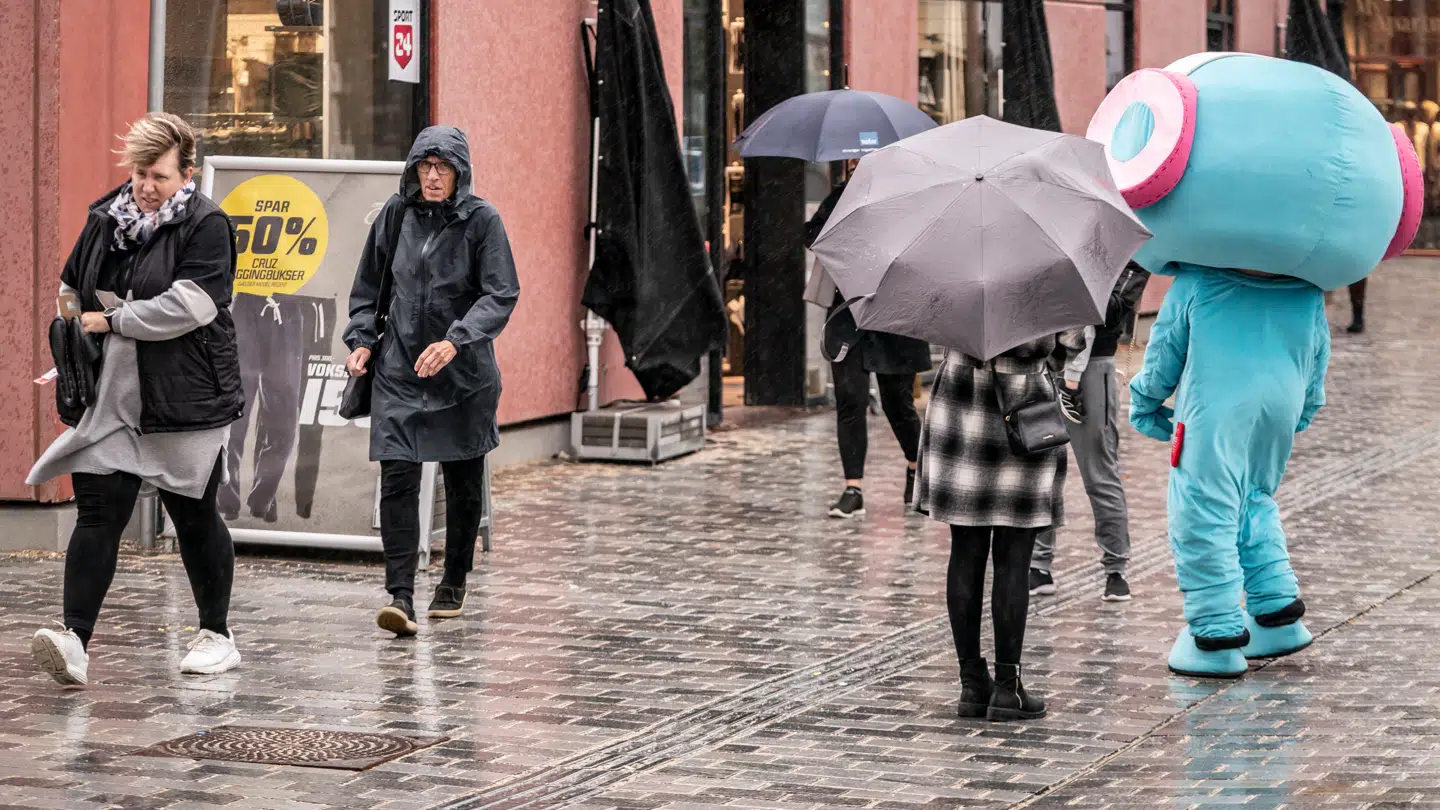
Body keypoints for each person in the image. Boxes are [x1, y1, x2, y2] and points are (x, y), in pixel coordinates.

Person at [1093, 54, 1415, 677]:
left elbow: (1166, 356)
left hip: (1216, 413)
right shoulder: (1305, 294)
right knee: (1256, 498)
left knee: (1202, 507)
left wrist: (1145, 401)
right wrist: (1305, 410)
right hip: (1279, 408)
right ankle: (1278, 614)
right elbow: (1316, 363)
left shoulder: (1200, 285)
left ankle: (1213, 634)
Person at [27, 112, 245, 686]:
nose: (147, 188)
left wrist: (113, 318)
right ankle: (74, 639)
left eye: (161, 178)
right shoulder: (107, 217)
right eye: (140, 175)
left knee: (192, 513)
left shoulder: (207, 225)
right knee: (99, 509)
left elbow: (192, 306)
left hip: (186, 394)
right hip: (115, 396)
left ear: (187, 175)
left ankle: (216, 634)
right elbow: (70, 286)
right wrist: (74, 333)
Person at [344, 126, 520, 638]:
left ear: (460, 171)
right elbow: (368, 289)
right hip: (399, 370)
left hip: (462, 373)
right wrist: (360, 340)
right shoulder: (395, 216)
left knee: (463, 479)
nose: (433, 175)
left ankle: (454, 578)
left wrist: (456, 340)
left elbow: (500, 293)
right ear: (413, 169)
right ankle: (399, 594)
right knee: (397, 477)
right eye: (425, 166)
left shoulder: (482, 221)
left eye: (443, 167)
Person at [913, 337, 1064, 721]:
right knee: (1015, 558)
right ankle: (1006, 689)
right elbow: (1067, 341)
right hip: (1025, 406)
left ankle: (971, 684)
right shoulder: (1046, 276)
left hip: (960, 398)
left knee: (965, 549)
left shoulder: (952, 275)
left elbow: (933, 328)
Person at [805, 161, 931, 519]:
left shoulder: (909, 204)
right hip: (849, 316)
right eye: (857, 162)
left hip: (896, 319)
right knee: (850, 401)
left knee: (898, 404)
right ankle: (853, 489)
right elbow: (812, 235)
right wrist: (846, 214)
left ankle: (914, 467)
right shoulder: (842, 198)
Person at [1030, 262, 1151, 602]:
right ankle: (1038, 565)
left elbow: (1111, 310)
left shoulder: (1129, 257)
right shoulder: (1056, 244)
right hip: (1044, 364)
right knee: (1041, 470)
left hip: (1093, 368)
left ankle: (1116, 568)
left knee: (1099, 473)